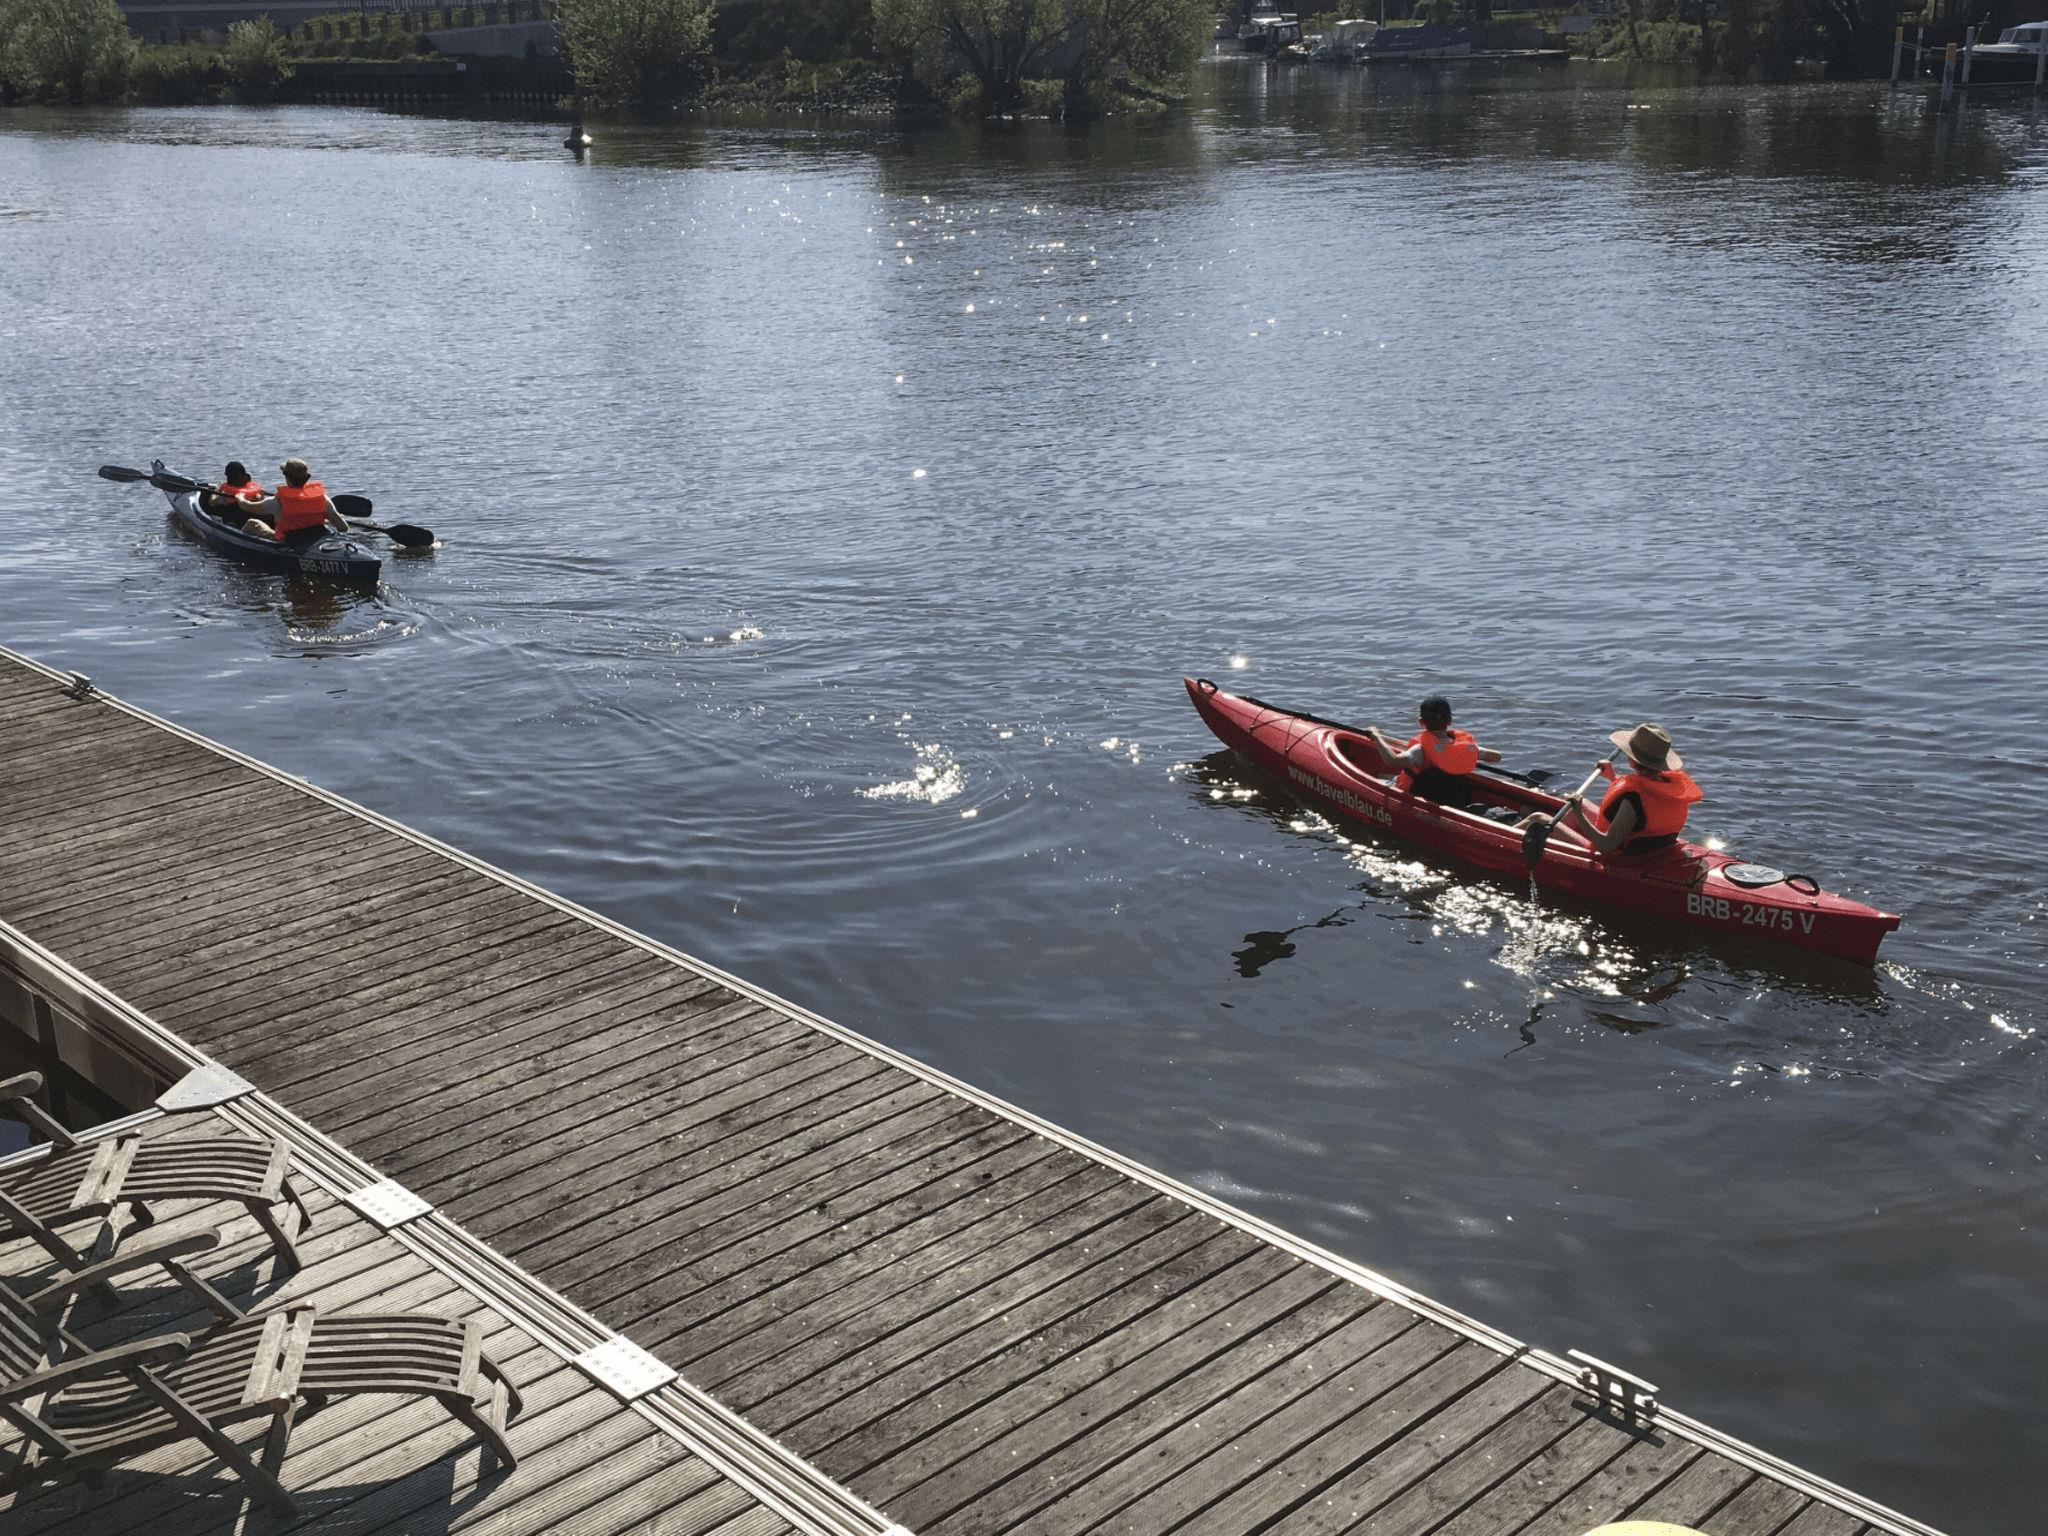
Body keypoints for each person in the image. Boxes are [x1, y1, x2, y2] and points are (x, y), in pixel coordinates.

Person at [1525, 723, 1704, 855]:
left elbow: (1606, 846)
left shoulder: (1632, 798)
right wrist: (1613, 777)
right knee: (1579, 805)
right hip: (1655, 848)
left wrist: (1579, 813)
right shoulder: (1671, 787)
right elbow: (1649, 797)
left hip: (1617, 856)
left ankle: (1510, 838)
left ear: (1632, 760)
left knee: (1538, 818)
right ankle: (1555, 840)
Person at [1364, 695, 1503, 808]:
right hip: (1455, 798)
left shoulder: (1419, 751)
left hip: (1422, 798)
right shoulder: (1467, 748)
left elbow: (1392, 761)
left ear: (1421, 722)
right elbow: (1497, 757)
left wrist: (1376, 737)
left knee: (1386, 780)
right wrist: (1473, 754)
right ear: (1450, 720)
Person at [238, 458, 336, 543]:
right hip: (316, 538)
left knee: (252, 523)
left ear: (288, 479)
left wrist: (240, 496)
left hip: (289, 542)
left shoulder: (276, 502)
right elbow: (342, 527)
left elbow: (247, 507)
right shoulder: (323, 498)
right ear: (306, 478)